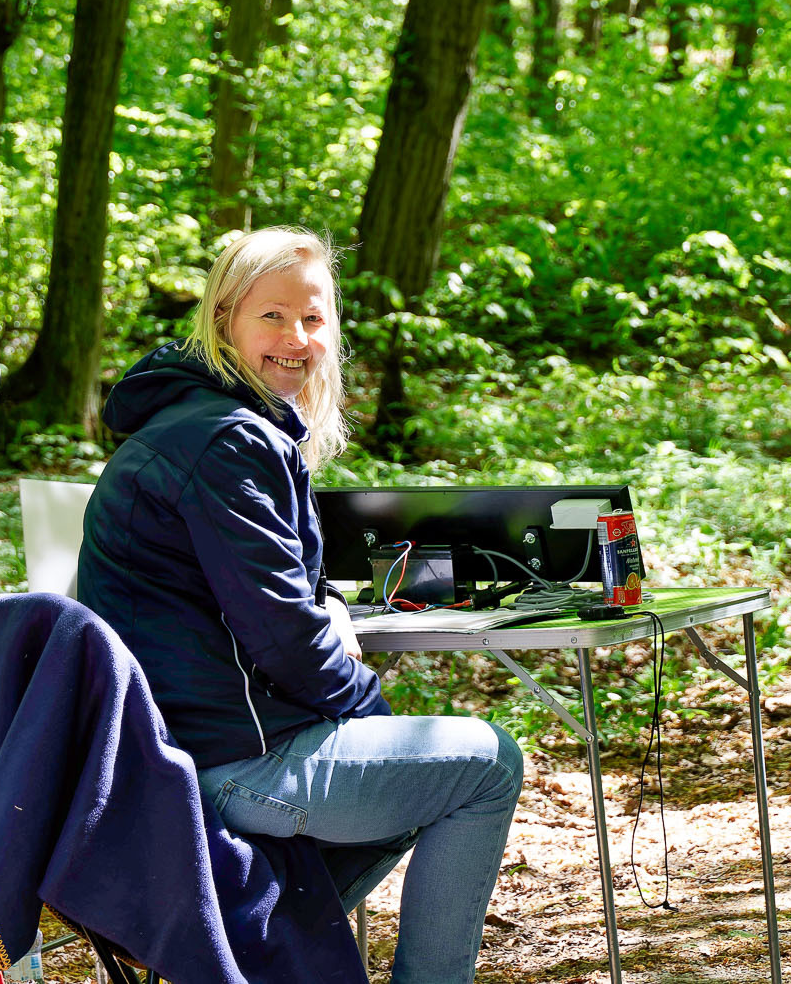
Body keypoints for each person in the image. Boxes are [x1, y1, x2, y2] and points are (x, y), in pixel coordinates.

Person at [78, 228, 523, 984]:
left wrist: (330, 604)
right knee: (486, 764)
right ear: (224, 319)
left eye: (313, 319)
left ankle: (251, 954)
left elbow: (272, 585)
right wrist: (373, 714)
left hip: (182, 751)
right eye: (272, 316)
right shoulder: (225, 441)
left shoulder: (202, 422)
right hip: (224, 762)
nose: (296, 337)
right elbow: (286, 640)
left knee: (424, 776)